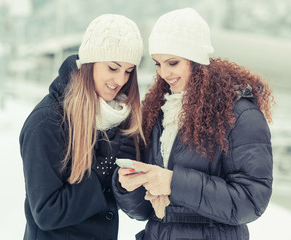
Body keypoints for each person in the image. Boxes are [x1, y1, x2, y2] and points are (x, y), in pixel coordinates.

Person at [112, 8, 275, 240]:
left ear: (196, 60)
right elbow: (146, 212)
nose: (164, 73)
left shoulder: (240, 114)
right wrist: (129, 187)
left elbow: (251, 201)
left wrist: (172, 182)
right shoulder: (159, 111)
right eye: (157, 64)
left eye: (173, 62)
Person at [19, 13, 144, 240]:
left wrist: (127, 182)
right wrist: (101, 172)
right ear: (90, 63)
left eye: (128, 71)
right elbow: (46, 212)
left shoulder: (118, 119)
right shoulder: (47, 122)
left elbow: (134, 207)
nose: (121, 80)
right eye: (113, 68)